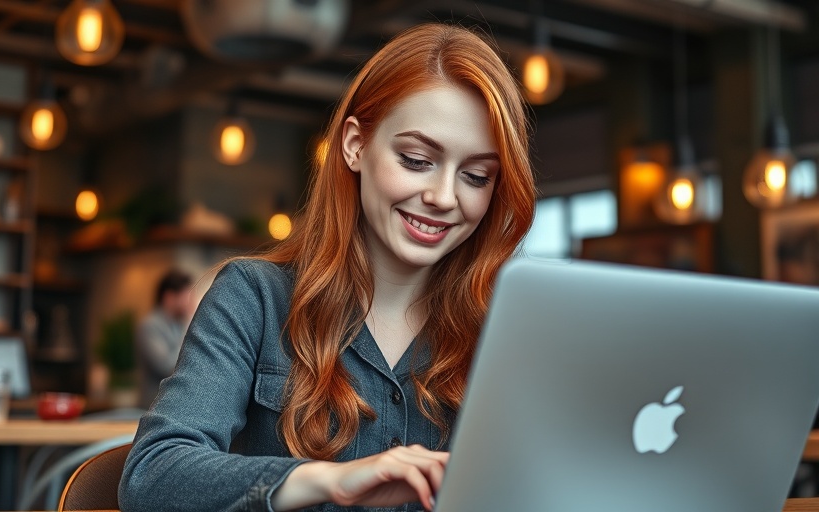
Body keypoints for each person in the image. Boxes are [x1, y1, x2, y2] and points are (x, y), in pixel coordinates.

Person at [120, 22, 536, 512]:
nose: (444, 197)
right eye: (417, 159)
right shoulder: (254, 298)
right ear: (355, 146)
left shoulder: (504, 331)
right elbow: (152, 475)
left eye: (475, 175)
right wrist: (326, 481)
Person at [135, 269, 195, 409]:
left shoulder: (179, 324)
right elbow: (166, 366)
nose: (189, 301)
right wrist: (191, 328)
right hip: (152, 407)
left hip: (174, 406)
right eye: (186, 295)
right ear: (169, 297)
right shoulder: (149, 325)